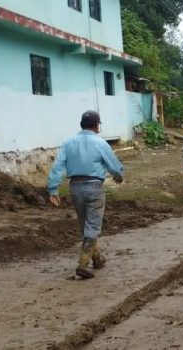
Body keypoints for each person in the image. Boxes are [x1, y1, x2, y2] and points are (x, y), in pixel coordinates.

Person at [47, 110, 124, 279]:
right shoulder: (101, 143)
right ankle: (83, 264)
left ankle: (97, 259)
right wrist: (118, 176)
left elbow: (58, 166)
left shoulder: (68, 143)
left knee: (86, 226)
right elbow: (114, 166)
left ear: (81, 124)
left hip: (75, 187)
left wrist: (53, 189)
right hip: (94, 187)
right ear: (97, 125)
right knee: (93, 226)